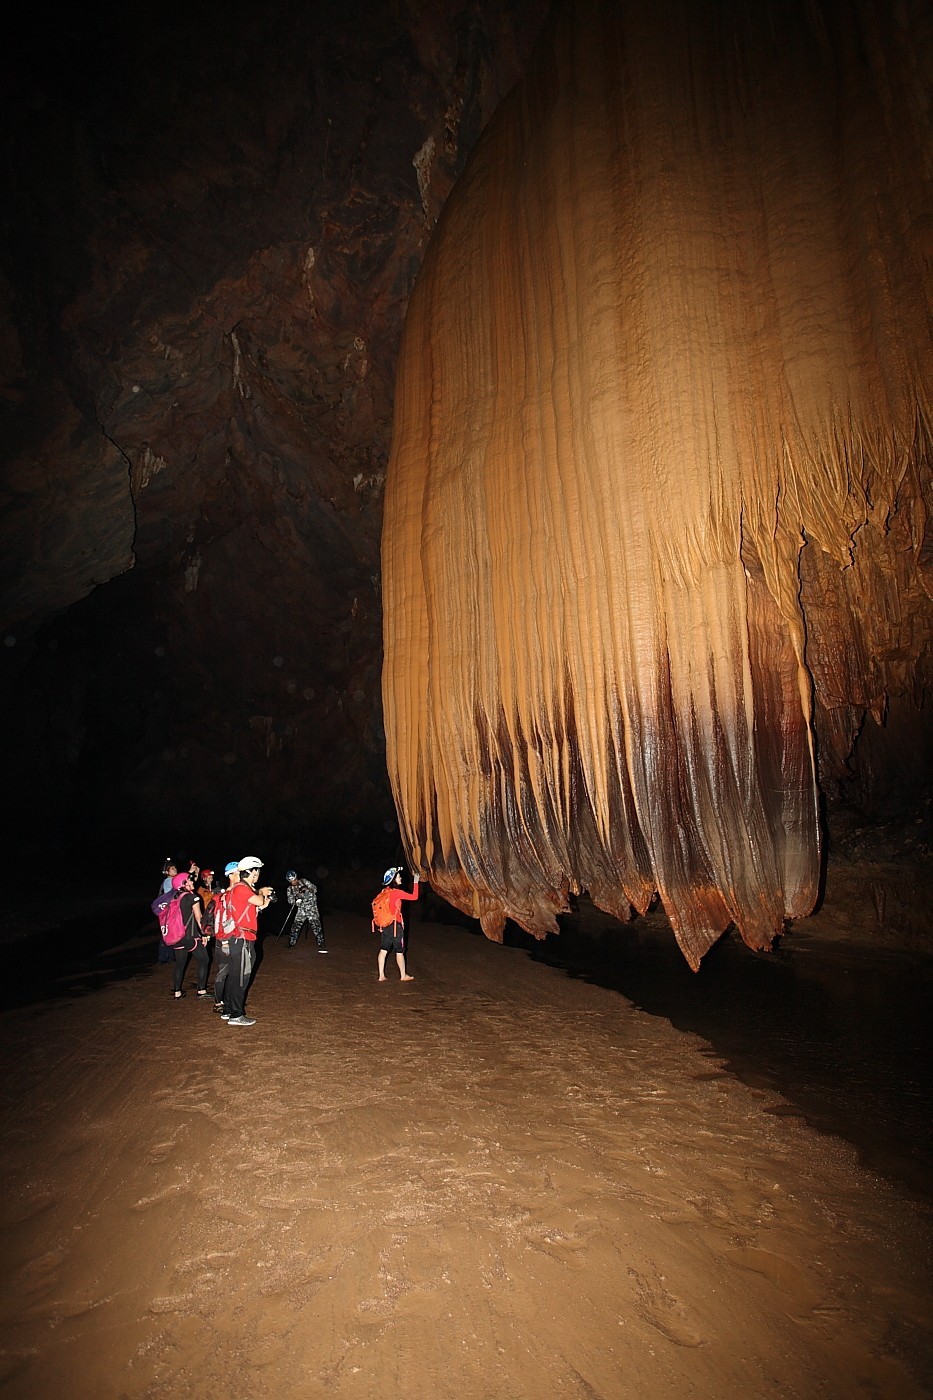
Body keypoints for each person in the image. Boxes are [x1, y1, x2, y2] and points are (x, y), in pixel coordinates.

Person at [223, 856, 274, 1026]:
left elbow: (256, 905)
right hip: (242, 938)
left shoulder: (236, 888)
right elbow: (260, 902)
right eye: (257, 870)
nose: (258, 874)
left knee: (234, 975)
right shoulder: (242, 889)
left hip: (236, 938)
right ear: (252, 871)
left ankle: (229, 1010)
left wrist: (260, 894)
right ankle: (236, 1015)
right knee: (242, 978)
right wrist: (263, 893)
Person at [170, 871, 210, 1000]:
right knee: (204, 959)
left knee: (180, 964)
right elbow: (199, 918)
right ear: (183, 884)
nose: (192, 882)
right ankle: (201, 991)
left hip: (176, 936)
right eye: (189, 880)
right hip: (189, 936)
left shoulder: (173, 898)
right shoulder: (192, 897)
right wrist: (204, 934)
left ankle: (177, 992)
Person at [375, 867, 419, 982]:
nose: (401, 878)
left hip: (385, 925)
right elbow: (414, 896)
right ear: (394, 879)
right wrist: (416, 881)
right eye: (399, 876)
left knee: (383, 949)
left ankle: (381, 975)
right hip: (396, 926)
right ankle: (403, 975)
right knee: (399, 951)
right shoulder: (396, 893)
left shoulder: (384, 892)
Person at [212, 862, 239, 1016]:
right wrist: (225, 942)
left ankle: (225, 1002)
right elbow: (222, 921)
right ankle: (219, 1003)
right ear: (230, 875)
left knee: (229, 972)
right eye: (237, 873)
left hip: (229, 938)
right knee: (224, 972)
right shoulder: (225, 897)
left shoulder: (231, 894)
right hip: (225, 939)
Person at [285, 870, 327, 951]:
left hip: (312, 908)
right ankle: (291, 942)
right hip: (301, 910)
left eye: (295, 879)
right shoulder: (290, 889)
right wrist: (295, 901)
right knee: (295, 926)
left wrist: (307, 888)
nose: (294, 881)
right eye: (292, 880)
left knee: (316, 926)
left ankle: (321, 942)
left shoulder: (304, 881)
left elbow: (315, 889)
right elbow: (290, 900)